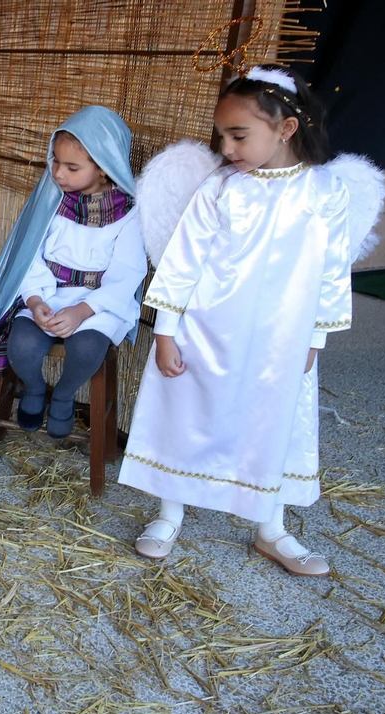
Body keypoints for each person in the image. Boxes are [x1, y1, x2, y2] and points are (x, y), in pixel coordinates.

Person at [118, 66, 353, 576]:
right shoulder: (221, 189)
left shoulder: (324, 192)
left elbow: (333, 270)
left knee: (271, 423)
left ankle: (272, 528)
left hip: (280, 340)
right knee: (186, 413)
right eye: (221, 135)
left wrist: (317, 337)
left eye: (239, 135)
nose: (226, 148)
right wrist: (165, 331)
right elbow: (183, 261)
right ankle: (169, 513)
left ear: (286, 129)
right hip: (206, 330)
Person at [0, 106, 146, 439]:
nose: (58, 173)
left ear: (104, 169)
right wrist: (34, 299)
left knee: (88, 349)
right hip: (48, 292)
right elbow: (28, 255)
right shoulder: (51, 201)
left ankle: (64, 393)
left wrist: (82, 311)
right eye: (55, 161)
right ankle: (35, 387)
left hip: (97, 302)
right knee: (23, 346)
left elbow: (128, 272)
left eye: (72, 167)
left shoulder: (129, 214)